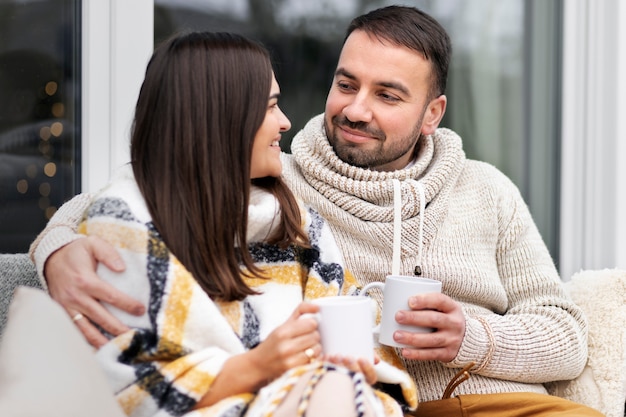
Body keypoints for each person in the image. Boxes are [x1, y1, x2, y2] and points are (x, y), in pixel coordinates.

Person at [30, 6, 602, 417]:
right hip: (383, 401)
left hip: (493, 401)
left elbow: (566, 337)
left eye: (388, 95)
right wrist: (56, 250)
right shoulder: (279, 180)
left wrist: (470, 338)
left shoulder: (488, 191)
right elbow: (133, 200)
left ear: (434, 113)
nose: (355, 109)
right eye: (346, 83)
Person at [38, 30, 417, 417]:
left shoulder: (296, 221)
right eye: (271, 107)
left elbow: (360, 331)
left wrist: (353, 364)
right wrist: (55, 249)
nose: (286, 123)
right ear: (221, 117)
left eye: (387, 95)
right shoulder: (127, 227)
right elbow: (128, 390)